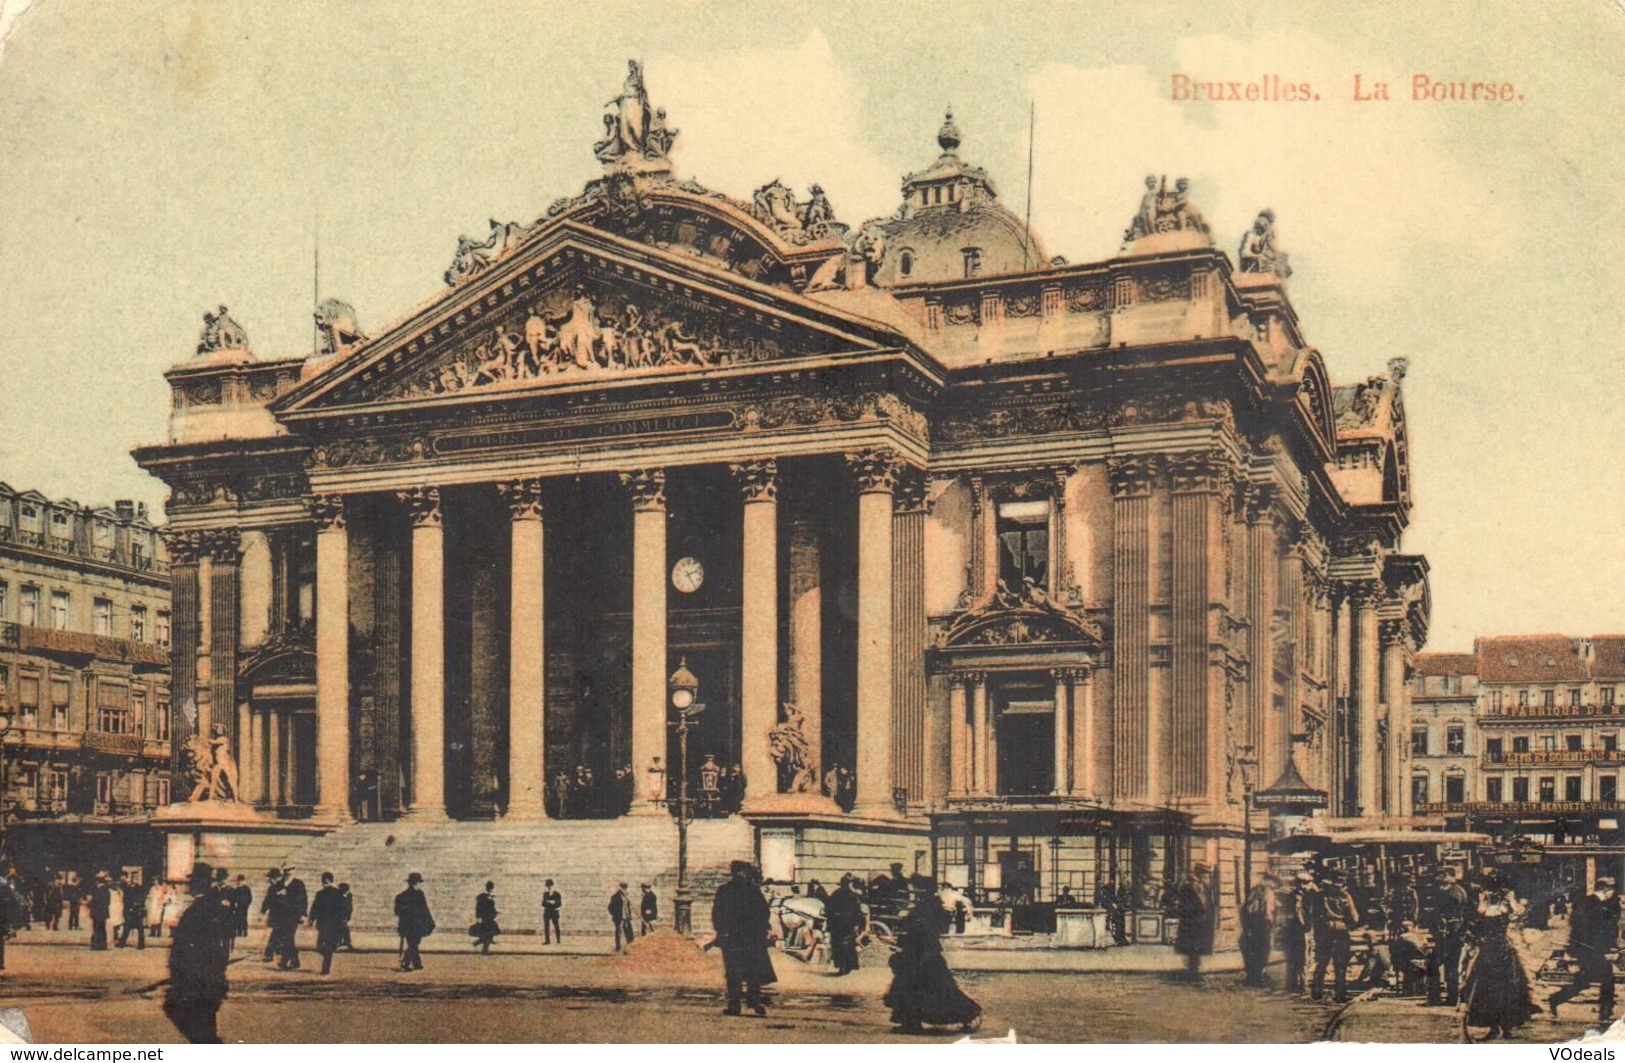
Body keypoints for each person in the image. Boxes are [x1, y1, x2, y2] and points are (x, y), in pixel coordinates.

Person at [883, 885, 982, 1034]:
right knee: (924, 991)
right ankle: (911, 1023)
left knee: (929, 991)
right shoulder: (929, 908)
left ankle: (968, 1015)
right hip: (925, 957)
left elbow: (918, 935)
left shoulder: (921, 911)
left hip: (924, 959)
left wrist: (898, 941)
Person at [163, 862, 234, 1044]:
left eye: (192, 881)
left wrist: (186, 976)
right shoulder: (209, 904)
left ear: (200, 883)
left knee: (201, 1032)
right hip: (202, 980)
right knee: (203, 1031)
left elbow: (201, 948)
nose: (189, 885)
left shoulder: (203, 907)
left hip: (198, 981)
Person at [1463, 871, 1537, 1039]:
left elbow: (1518, 914)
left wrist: (1510, 900)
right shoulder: (1493, 904)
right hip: (1498, 949)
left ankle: (1502, 1027)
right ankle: (1500, 1027)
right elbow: (1517, 914)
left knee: (1498, 989)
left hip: (1494, 950)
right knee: (1501, 989)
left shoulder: (1496, 904)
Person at [1548, 875, 1622, 1023]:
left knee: (1592, 979)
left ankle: (1557, 999)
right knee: (1600, 978)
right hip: (1587, 949)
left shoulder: (1604, 904)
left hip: (1596, 949)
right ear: (1605, 889)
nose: (1613, 892)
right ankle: (1604, 1011)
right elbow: (1581, 928)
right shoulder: (1588, 903)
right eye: (1612, 889)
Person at [711, 860, 776, 1017]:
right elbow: (764, 913)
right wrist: (761, 931)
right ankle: (753, 1001)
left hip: (732, 938)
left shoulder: (724, 890)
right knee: (752, 971)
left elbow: (717, 914)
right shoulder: (753, 890)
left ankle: (735, 1006)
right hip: (751, 939)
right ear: (745, 873)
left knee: (733, 973)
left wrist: (722, 931)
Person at [1311, 868, 1361, 1003]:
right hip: (1341, 931)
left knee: (1322, 962)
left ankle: (1317, 992)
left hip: (1324, 932)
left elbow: (1314, 916)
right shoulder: (1346, 895)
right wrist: (1350, 925)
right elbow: (1354, 917)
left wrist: (1317, 933)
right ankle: (1340, 994)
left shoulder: (1320, 895)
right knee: (1341, 965)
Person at [1426, 867, 1469, 1007]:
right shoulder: (1459, 890)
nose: (1438, 878)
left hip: (1450, 934)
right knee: (1452, 966)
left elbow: (1446, 913)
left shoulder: (1451, 893)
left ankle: (1435, 998)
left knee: (1434, 964)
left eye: (1441, 875)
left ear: (1449, 876)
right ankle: (1451, 998)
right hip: (1455, 934)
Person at [1167, 867, 1210, 980]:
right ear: (1200, 875)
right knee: (1192, 946)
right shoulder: (1187, 886)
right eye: (1205, 875)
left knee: (1197, 946)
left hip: (1199, 920)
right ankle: (1192, 972)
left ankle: (1195, 970)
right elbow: (1184, 904)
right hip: (1190, 921)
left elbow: (1205, 902)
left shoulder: (1202, 887)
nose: (1207, 878)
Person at [263, 867, 307, 970]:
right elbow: (270, 898)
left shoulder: (298, 884)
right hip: (280, 917)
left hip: (293, 916)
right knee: (288, 939)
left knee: (289, 938)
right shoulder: (279, 884)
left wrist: (303, 914)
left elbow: (303, 900)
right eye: (286, 872)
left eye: (290, 871)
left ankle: (284, 961)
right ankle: (295, 961)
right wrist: (263, 911)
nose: (288, 873)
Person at [1239, 873, 1278, 987]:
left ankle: (1256, 976)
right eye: (1272, 883)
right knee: (1259, 952)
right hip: (1258, 926)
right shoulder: (1258, 892)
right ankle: (1255, 978)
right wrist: (1250, 928)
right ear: (1267, 881)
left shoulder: (1264, 892)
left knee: (1260, 952)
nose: (1273, 886)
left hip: (1261, 927)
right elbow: (1251, 911)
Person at [1279, 873, 1312, 994]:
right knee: (1303, 957)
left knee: (1293, 957)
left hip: (1291, 930)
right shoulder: (1299, 896)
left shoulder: (1291, 895)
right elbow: (1298, 912)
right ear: (1302, 884)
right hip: (1300, 930)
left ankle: (1293, 983)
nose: (1310, 885)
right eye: (1308, 883)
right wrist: (1305, 926)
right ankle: (1303, 985)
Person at [825, 873, 864, 975]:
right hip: (848, 923)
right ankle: (848, 966)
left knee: (839, 945)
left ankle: (843, 967)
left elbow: (828, 908)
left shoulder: (836, 894)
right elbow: (857, 911)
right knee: (848, 944)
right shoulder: (853, 895)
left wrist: (830, 919)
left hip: (838, 923)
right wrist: (856, 924)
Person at [394, 872, 434, 972]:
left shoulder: (401, 896)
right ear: (416, 883)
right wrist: (430, 921)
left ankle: (416, 963)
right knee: (414, 943)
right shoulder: (419, 894)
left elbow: (397, 912)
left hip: (406, 924)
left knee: (412, 942)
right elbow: (424, 909)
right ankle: (406, 963)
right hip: (416, 924)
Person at [309, 873, 346, 975]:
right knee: (320, 945)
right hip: (323, 923)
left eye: (327, 881)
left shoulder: (337, 893)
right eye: (323, 881)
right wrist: (312, 918)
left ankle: (325, 969)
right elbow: (315, 906)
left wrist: (341, 919)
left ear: (331, 881)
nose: (325, 883)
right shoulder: (320, 893)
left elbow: (342, 907)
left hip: (333, 924)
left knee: (328, 946)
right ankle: (328, 953)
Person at [1096, 880, 1129, 946]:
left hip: (1116, 918)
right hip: (1114, 918)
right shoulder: (1106, 900)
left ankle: (1120, 940)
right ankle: (1119, 940)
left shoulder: (1111, 899)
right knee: (1116, 930)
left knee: (1118, 929)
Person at [471, 881, 500, 955]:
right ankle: (483, 948)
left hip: (489, 917)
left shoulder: (488, 896)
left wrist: (495, 912)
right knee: (488, 933)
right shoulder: (482, 896)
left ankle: (479, 943)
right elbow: (479, 907)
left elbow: (491, 907)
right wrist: (478, 917)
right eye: (490, 888)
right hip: (485, 918)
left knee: (490, 933)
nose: (491, 889)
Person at [89, 872, 113, 950]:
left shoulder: (97, 890)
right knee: (102, 928)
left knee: (96, 928)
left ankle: (96, 944)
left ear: (98, 881)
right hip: (103, 912)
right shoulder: (107, 890)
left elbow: (93, 901)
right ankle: (103, 945)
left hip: (96, 911)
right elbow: (108, 902)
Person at [608, 883, 634, 951]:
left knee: (628, 931)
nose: (624, 890)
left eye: (625, 888)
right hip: (619, 918)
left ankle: (630, 945)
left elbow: (627, 907)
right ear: (620, 888)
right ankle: (618, 946)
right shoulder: (615, 896)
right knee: (618, 932)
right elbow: (610, 907)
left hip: (626, 917)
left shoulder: (626, 896)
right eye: (623, 888)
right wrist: (615, 915)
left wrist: (628, 915)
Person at [541, 880, 562, 944]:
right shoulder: (545, 894)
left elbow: (559, 904)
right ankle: (547, 941)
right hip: (547, 912)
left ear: (553, 886)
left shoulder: (557, 894)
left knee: (556, 926)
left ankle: (558, 940)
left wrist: (552, 903)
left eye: (550, 886)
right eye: (548, 886)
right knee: (546, 927)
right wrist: (551, 902)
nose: (549, 887)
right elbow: (543, 903)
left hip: (554, 912)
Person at [336, 884, 354, 951]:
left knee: (343, 930)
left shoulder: (346, 898)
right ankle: (345, 943)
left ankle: (344, 943)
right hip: (342, 918)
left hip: (343, 917)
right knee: (343, 930)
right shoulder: (343, 899)